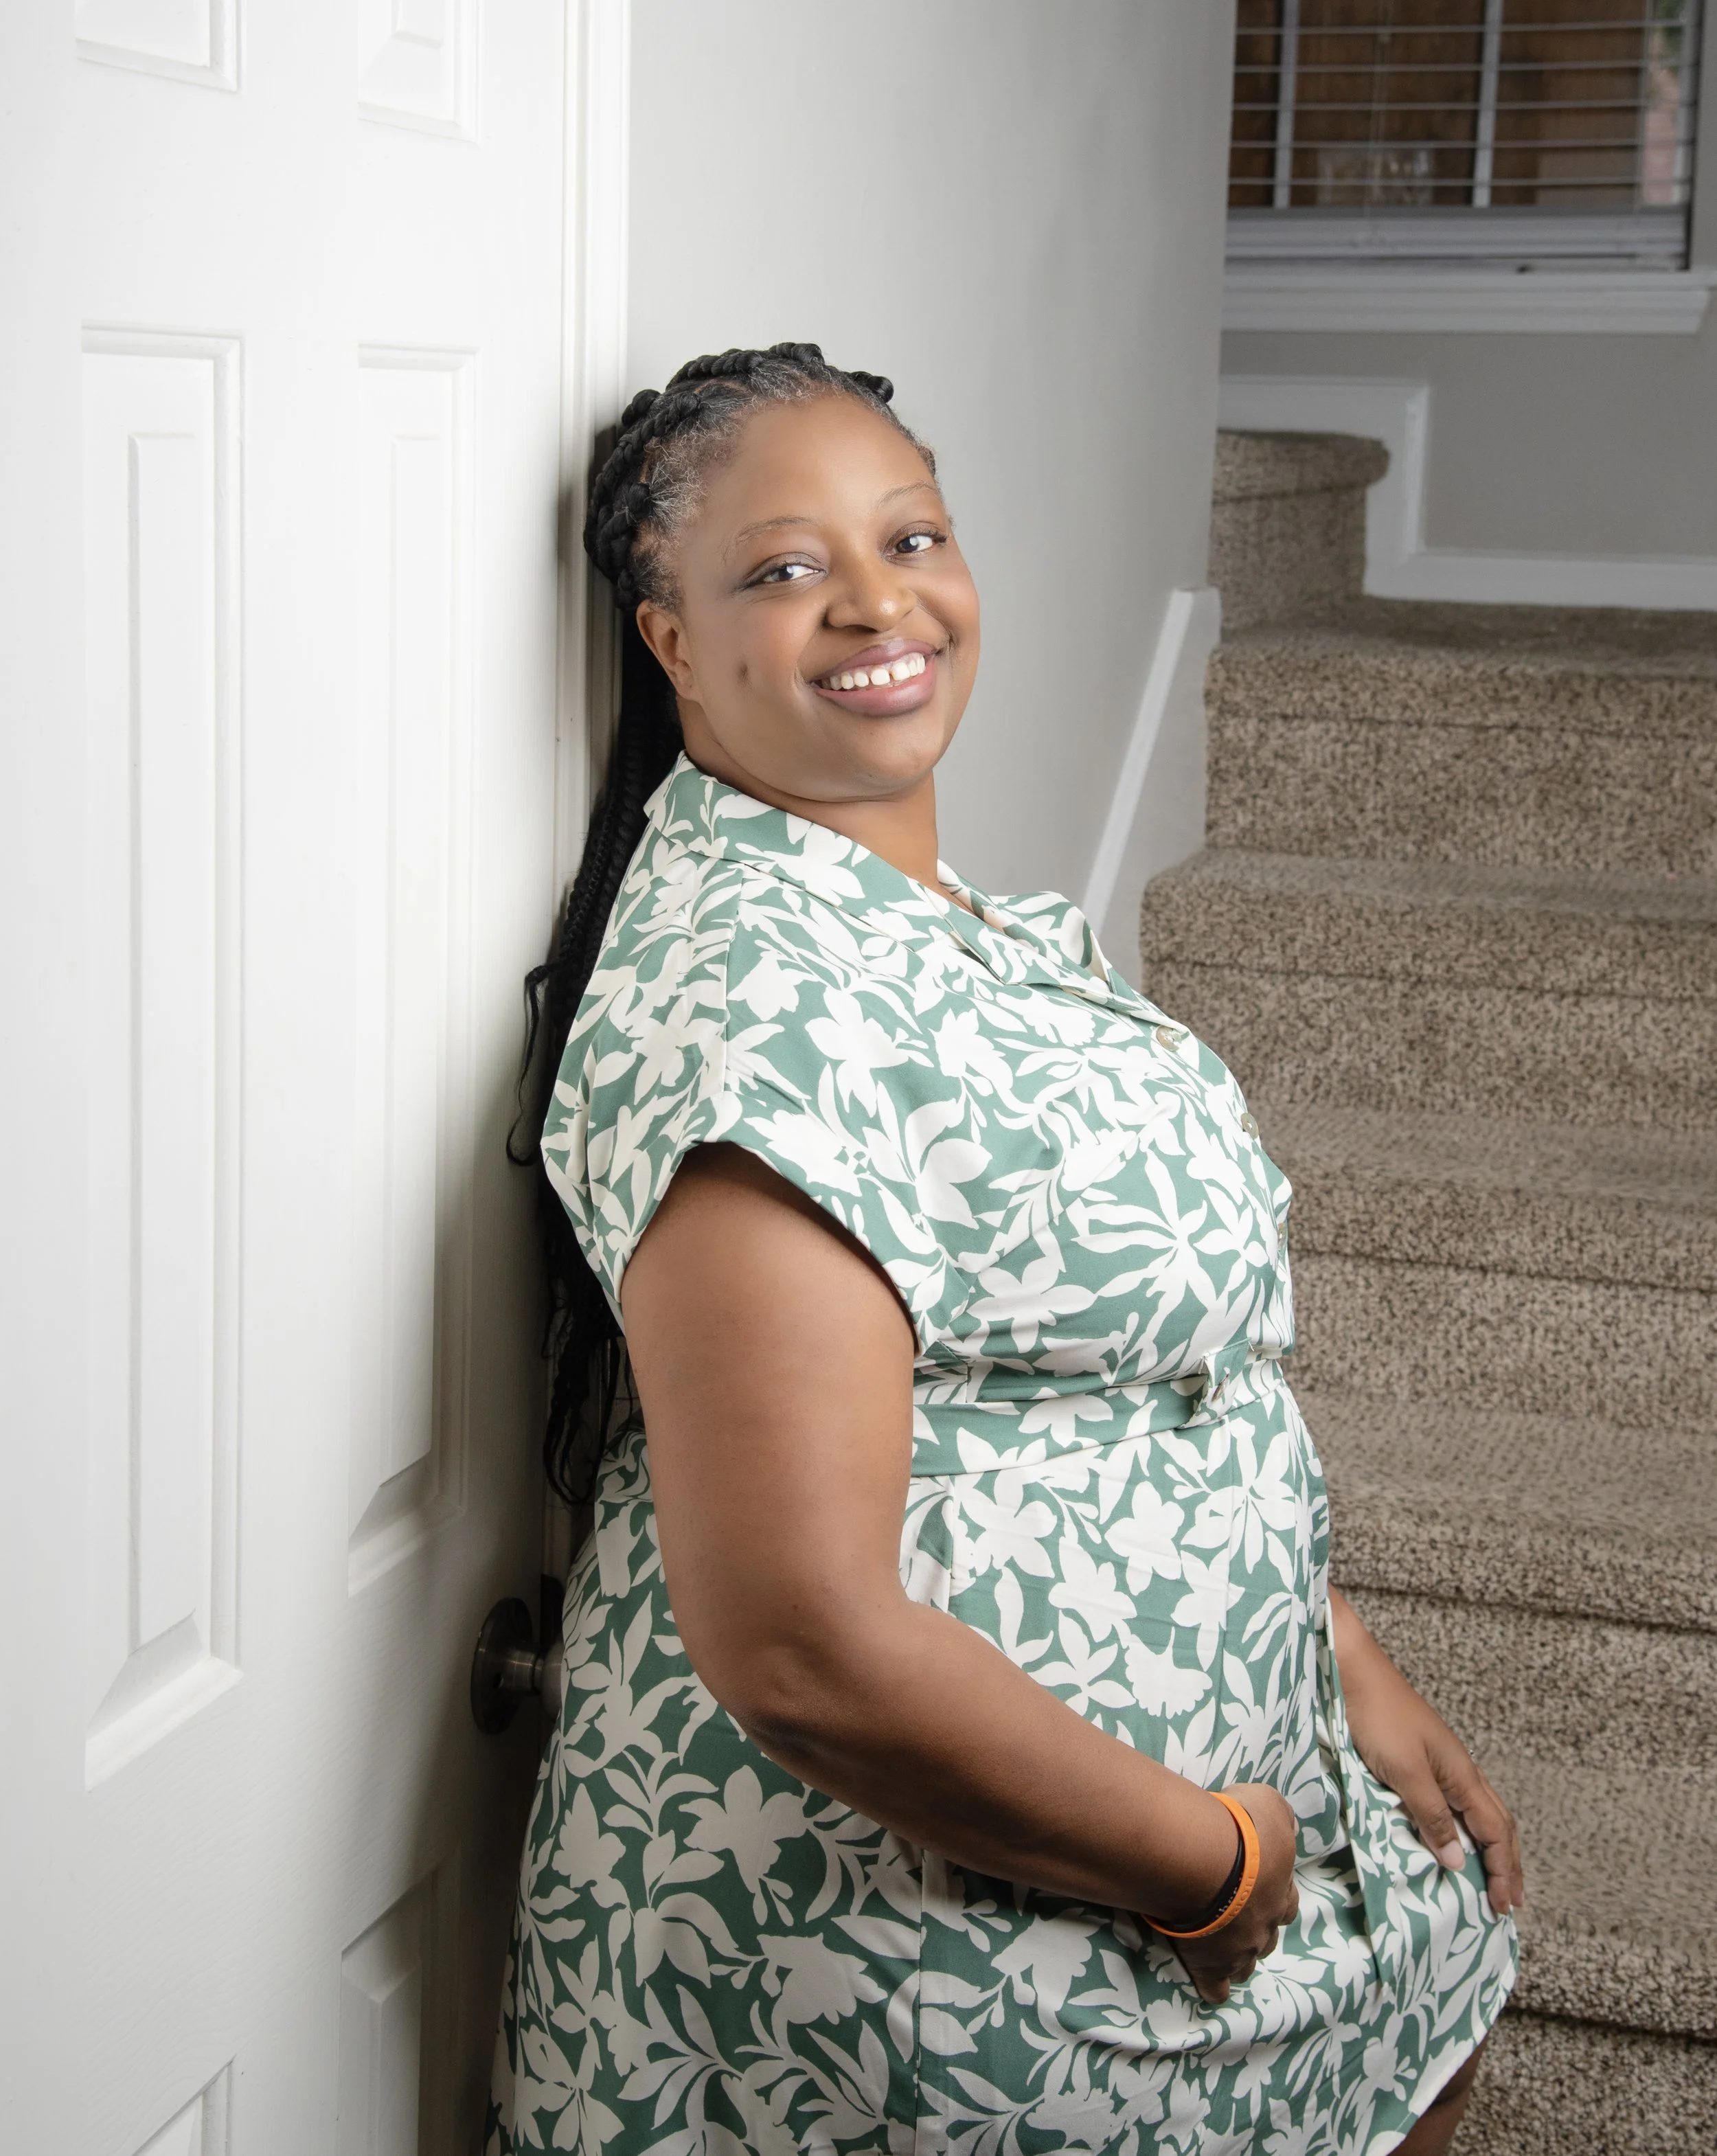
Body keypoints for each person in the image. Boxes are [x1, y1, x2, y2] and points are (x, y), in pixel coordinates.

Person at [486, 343, 1521, 2156]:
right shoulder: (755, 1012)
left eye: (911, 536)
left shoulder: (948, 923)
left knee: (1426, 2044)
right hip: (952, 1930)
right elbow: (804, 1647)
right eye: (781, 567)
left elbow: (1121, 1363)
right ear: (668, 640)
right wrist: (1205, 1866)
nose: (877, 601)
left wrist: (1329, 1656)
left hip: (1206, 1799)